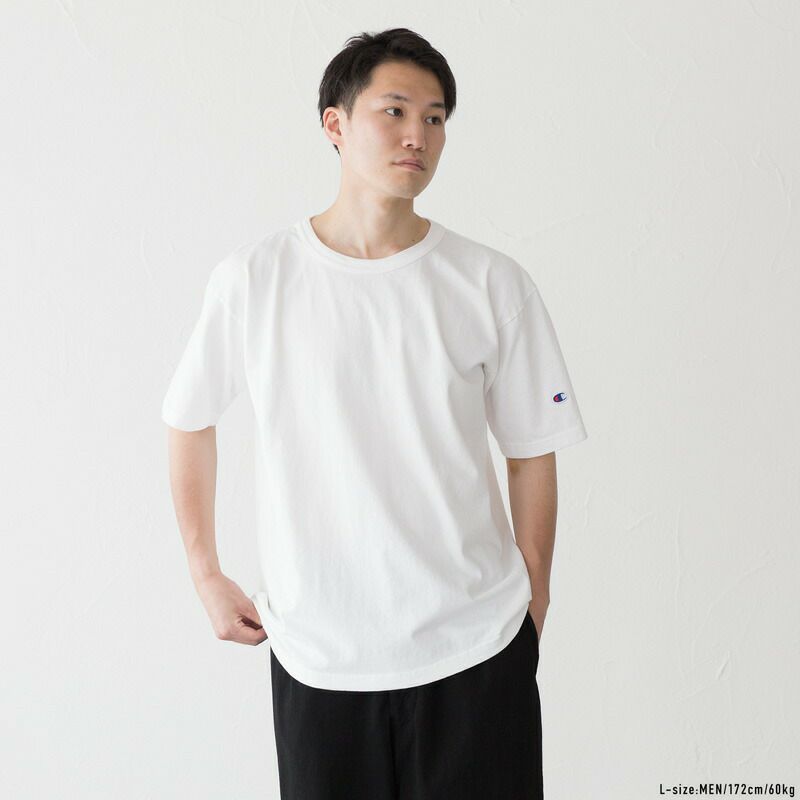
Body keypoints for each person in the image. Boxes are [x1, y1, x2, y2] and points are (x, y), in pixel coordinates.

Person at [162, 27, 588, 800]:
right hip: (319, 659)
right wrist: (205, 574)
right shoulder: (255, 280)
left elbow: (533, 449)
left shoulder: (490, 282)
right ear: (335, 124)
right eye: (394, 111)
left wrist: (535, 600)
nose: (417, 135)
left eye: (435, 118)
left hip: (477, 649)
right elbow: (189, 419)